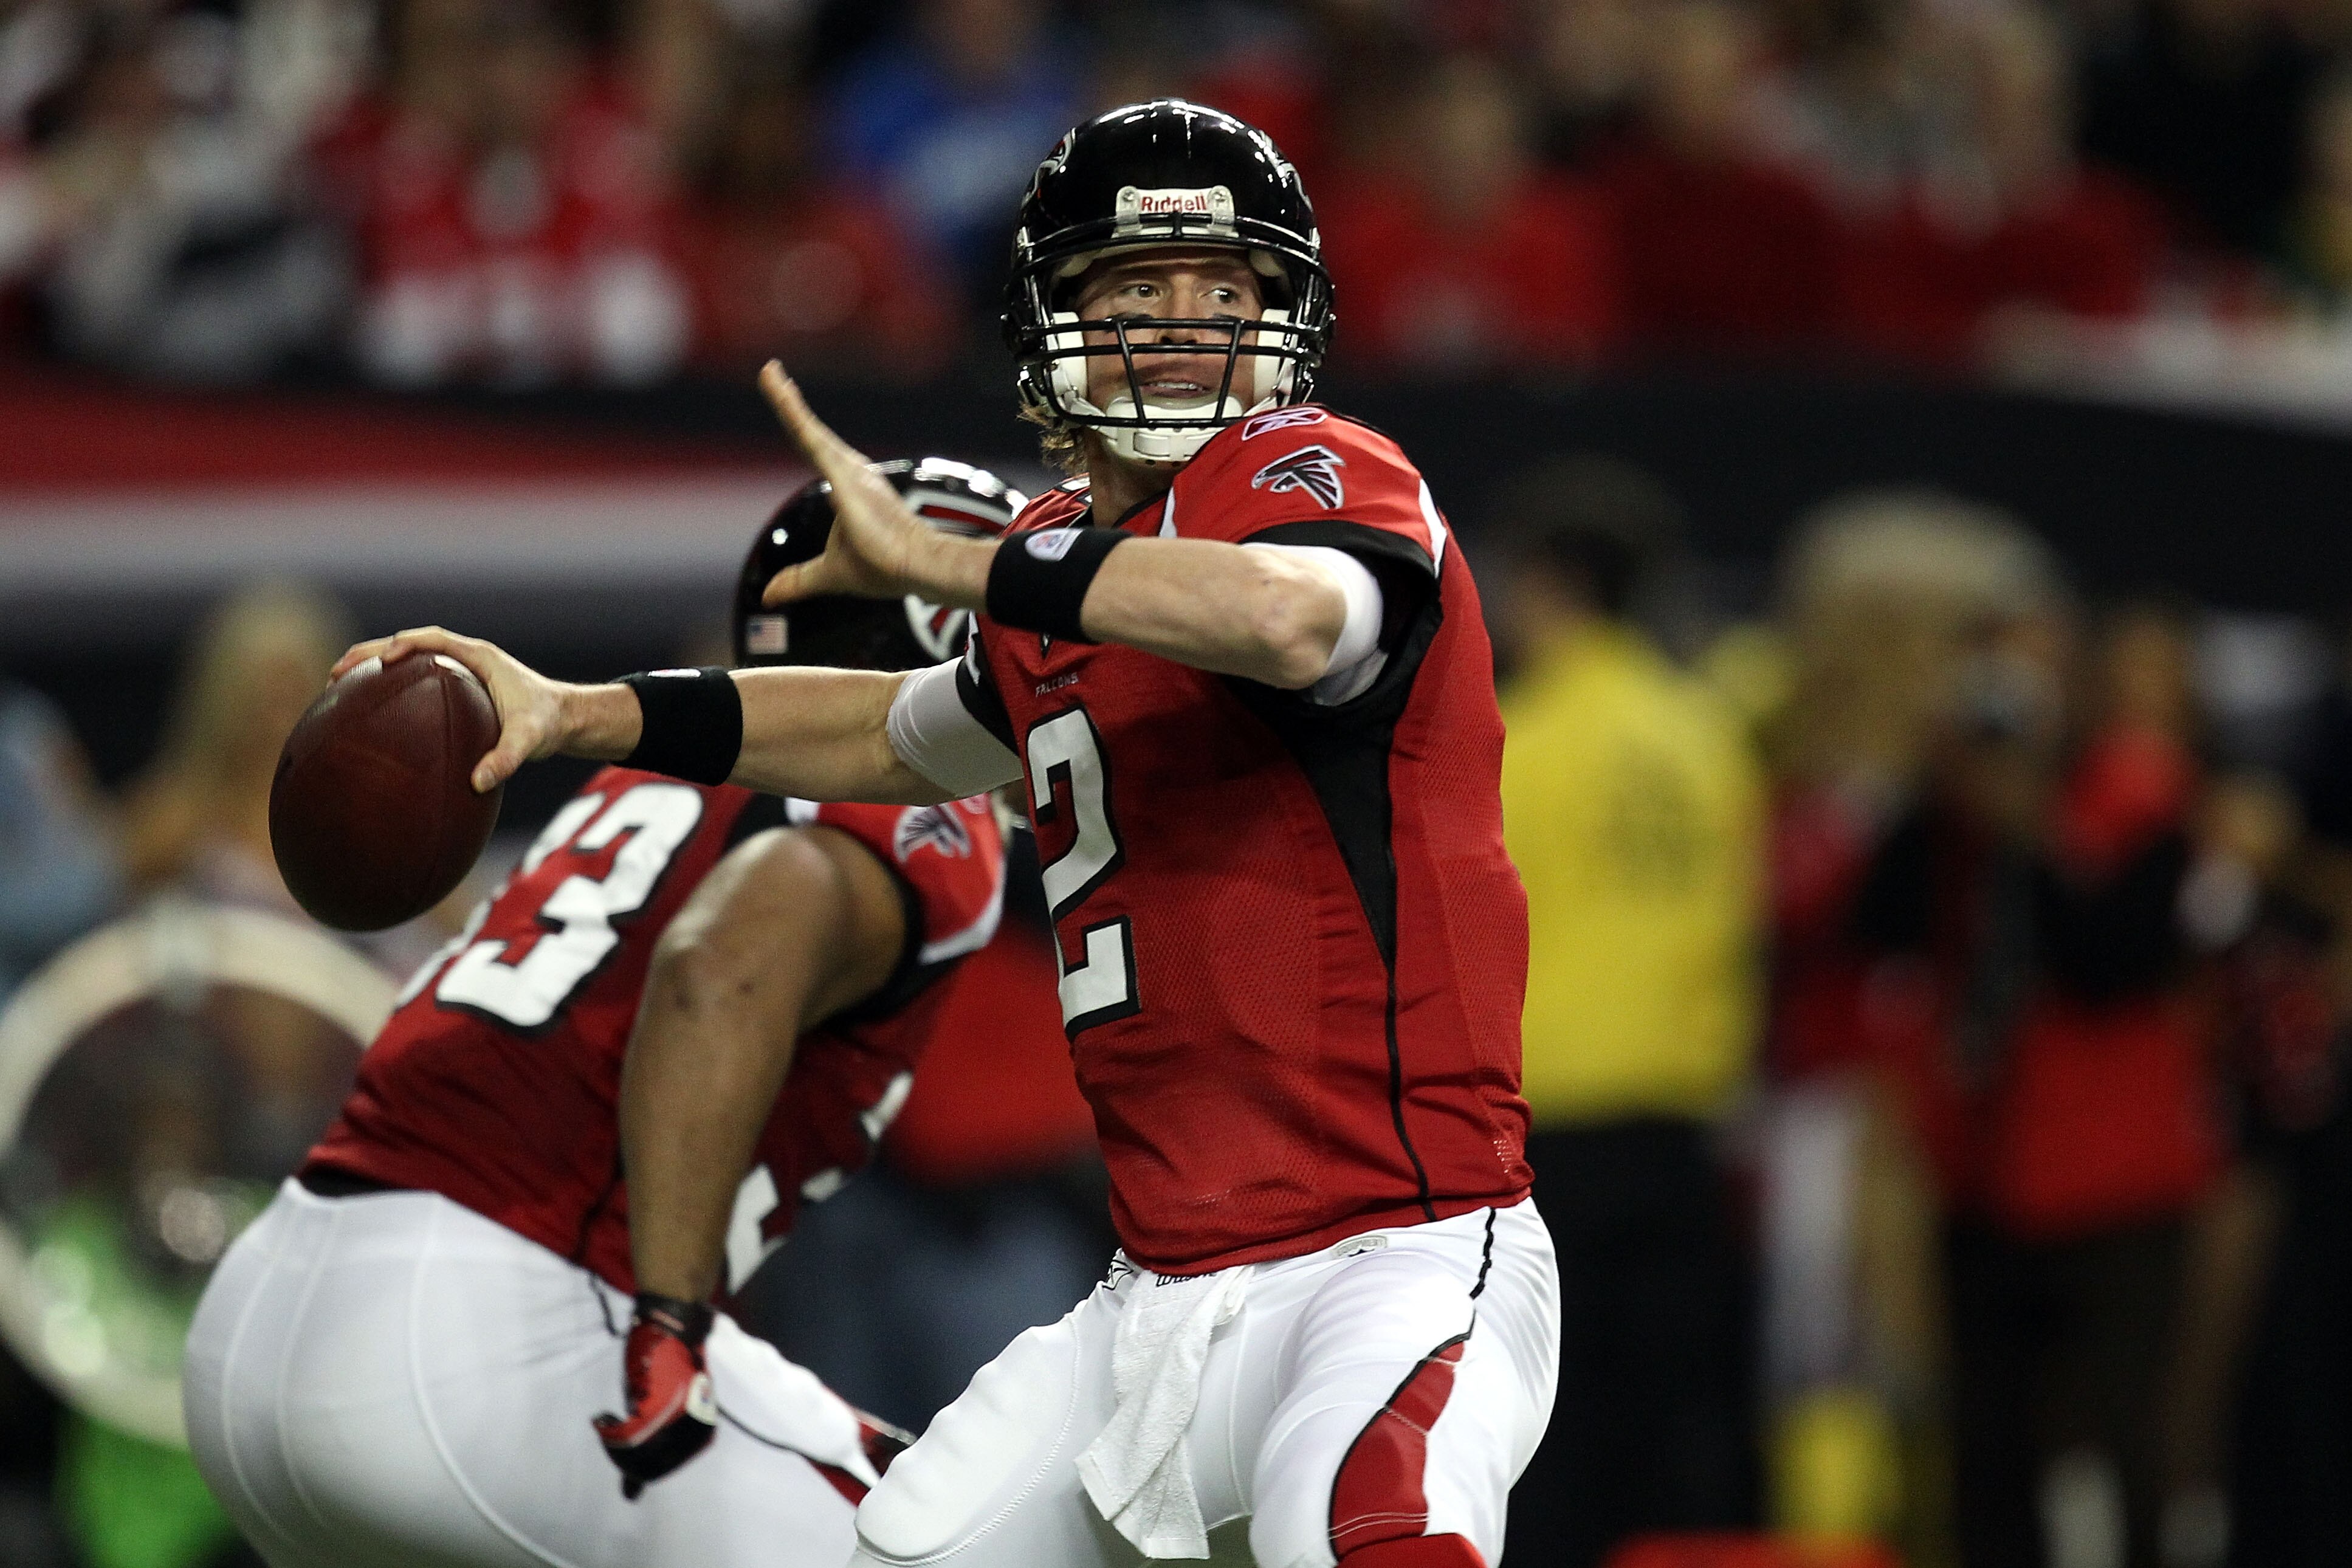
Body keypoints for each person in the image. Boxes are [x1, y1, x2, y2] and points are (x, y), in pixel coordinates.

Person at [339, 100, 1556, 1568]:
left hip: (1392, 1261)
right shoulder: (1063, 595)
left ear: (1281, 321)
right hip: (1153, 1292)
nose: (1184, 327)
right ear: (1054, 321)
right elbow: (884, 732)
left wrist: (954, 559)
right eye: (1137, 290)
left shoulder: (1309, 474)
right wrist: (582, 712)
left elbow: (1286, 620)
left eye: (1223, 293)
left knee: (1375, 1535)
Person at [181, 460, 1023, 1568]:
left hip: (267, 1311)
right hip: (491, 1327)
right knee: (969, 1540)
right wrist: (667, 1322)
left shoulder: (644, 773)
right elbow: (715, 968)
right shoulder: (919, 813)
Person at [1488, 457, 1765, 1568]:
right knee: (1682, 1445)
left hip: (1549, 1139)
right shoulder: (1709, 736)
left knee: (1552, 1446)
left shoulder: (1513, 740)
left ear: (1553, 582)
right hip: (1684, 1134)